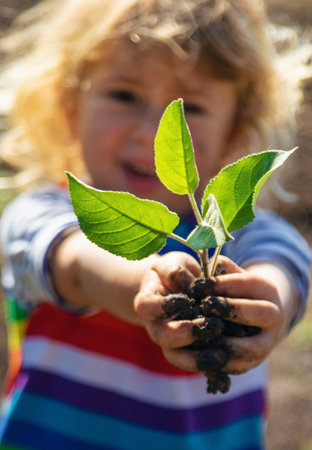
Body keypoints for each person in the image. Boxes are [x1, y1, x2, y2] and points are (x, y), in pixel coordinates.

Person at [0, 0, 311, 449]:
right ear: (70, 106)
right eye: (124, 95)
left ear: (236, 131)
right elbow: (77, 262)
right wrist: (148, 284)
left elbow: (282, 270)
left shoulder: (246, 236)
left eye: (191, 109)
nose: (151, 131)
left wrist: (259, 307)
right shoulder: (41, 215)